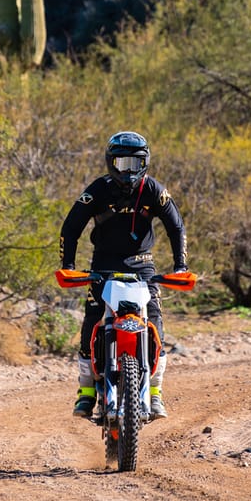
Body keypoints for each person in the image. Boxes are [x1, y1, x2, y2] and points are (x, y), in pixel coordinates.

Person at [59, 130, 188, 420]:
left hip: (142, 265)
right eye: (121, 164)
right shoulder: (97, 190)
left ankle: (155, 393)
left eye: (134, 163)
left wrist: (181, 266)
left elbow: (176, 227)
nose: (128, 171)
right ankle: (87, 392)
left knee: (154, 319)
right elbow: (71, 228)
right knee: (92, 318)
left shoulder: (154, 190)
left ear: (145, 163)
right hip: (103, 264)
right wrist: (67, 265)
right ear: (110, 162)